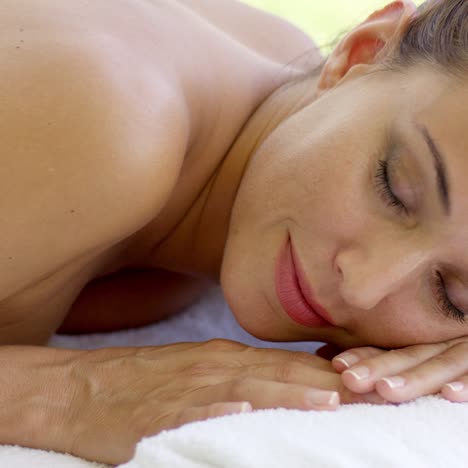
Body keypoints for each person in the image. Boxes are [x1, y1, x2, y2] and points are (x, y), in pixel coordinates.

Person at [1, 0, 468, 464]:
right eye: (394, 188)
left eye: (450, 295)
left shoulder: (279, 125)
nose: (364, 286)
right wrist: (70, 394)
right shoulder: (104, 120)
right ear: (360, 54)